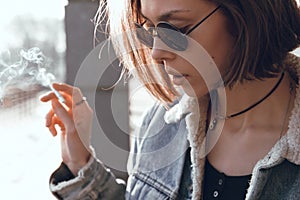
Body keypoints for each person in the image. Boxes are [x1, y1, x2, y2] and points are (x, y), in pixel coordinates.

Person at [40, 0, 300, 199]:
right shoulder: (160, 124)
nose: (156, 53)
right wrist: (80, 165)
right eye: (148, 31)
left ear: (246, 13)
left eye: (175, 30)